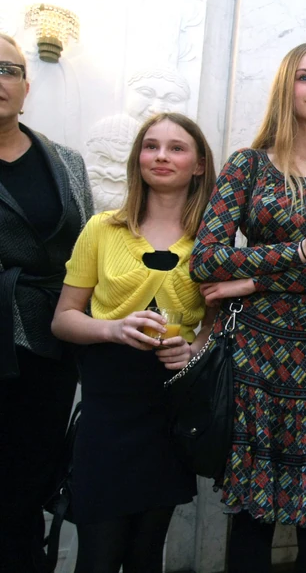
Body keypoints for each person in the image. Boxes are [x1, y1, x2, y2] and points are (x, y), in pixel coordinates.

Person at [189, 42, 306, 573]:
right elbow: (205, 260)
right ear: (286, 88)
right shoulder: (248, 166)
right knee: (253, 522)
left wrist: (250, 282)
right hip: (258, 362)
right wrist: (301, 252)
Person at [51, 112, 217, 572]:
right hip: (107, 411)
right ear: (137, 158)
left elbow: (216, 327)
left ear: (199, 165)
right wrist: (113, 328)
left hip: (169, 410)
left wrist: (193, 350)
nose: (161, 156)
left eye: (176, 148)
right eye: (151, 146)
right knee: (98, 556)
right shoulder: (102, 229)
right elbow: (63, 319)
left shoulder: (211, 241)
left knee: (146, 555)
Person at [0, 32, 93, 573]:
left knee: (31, 482)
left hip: (49, 344)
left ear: (26, 85)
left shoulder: (67, 162)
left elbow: (87, 250)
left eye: (7, 70)